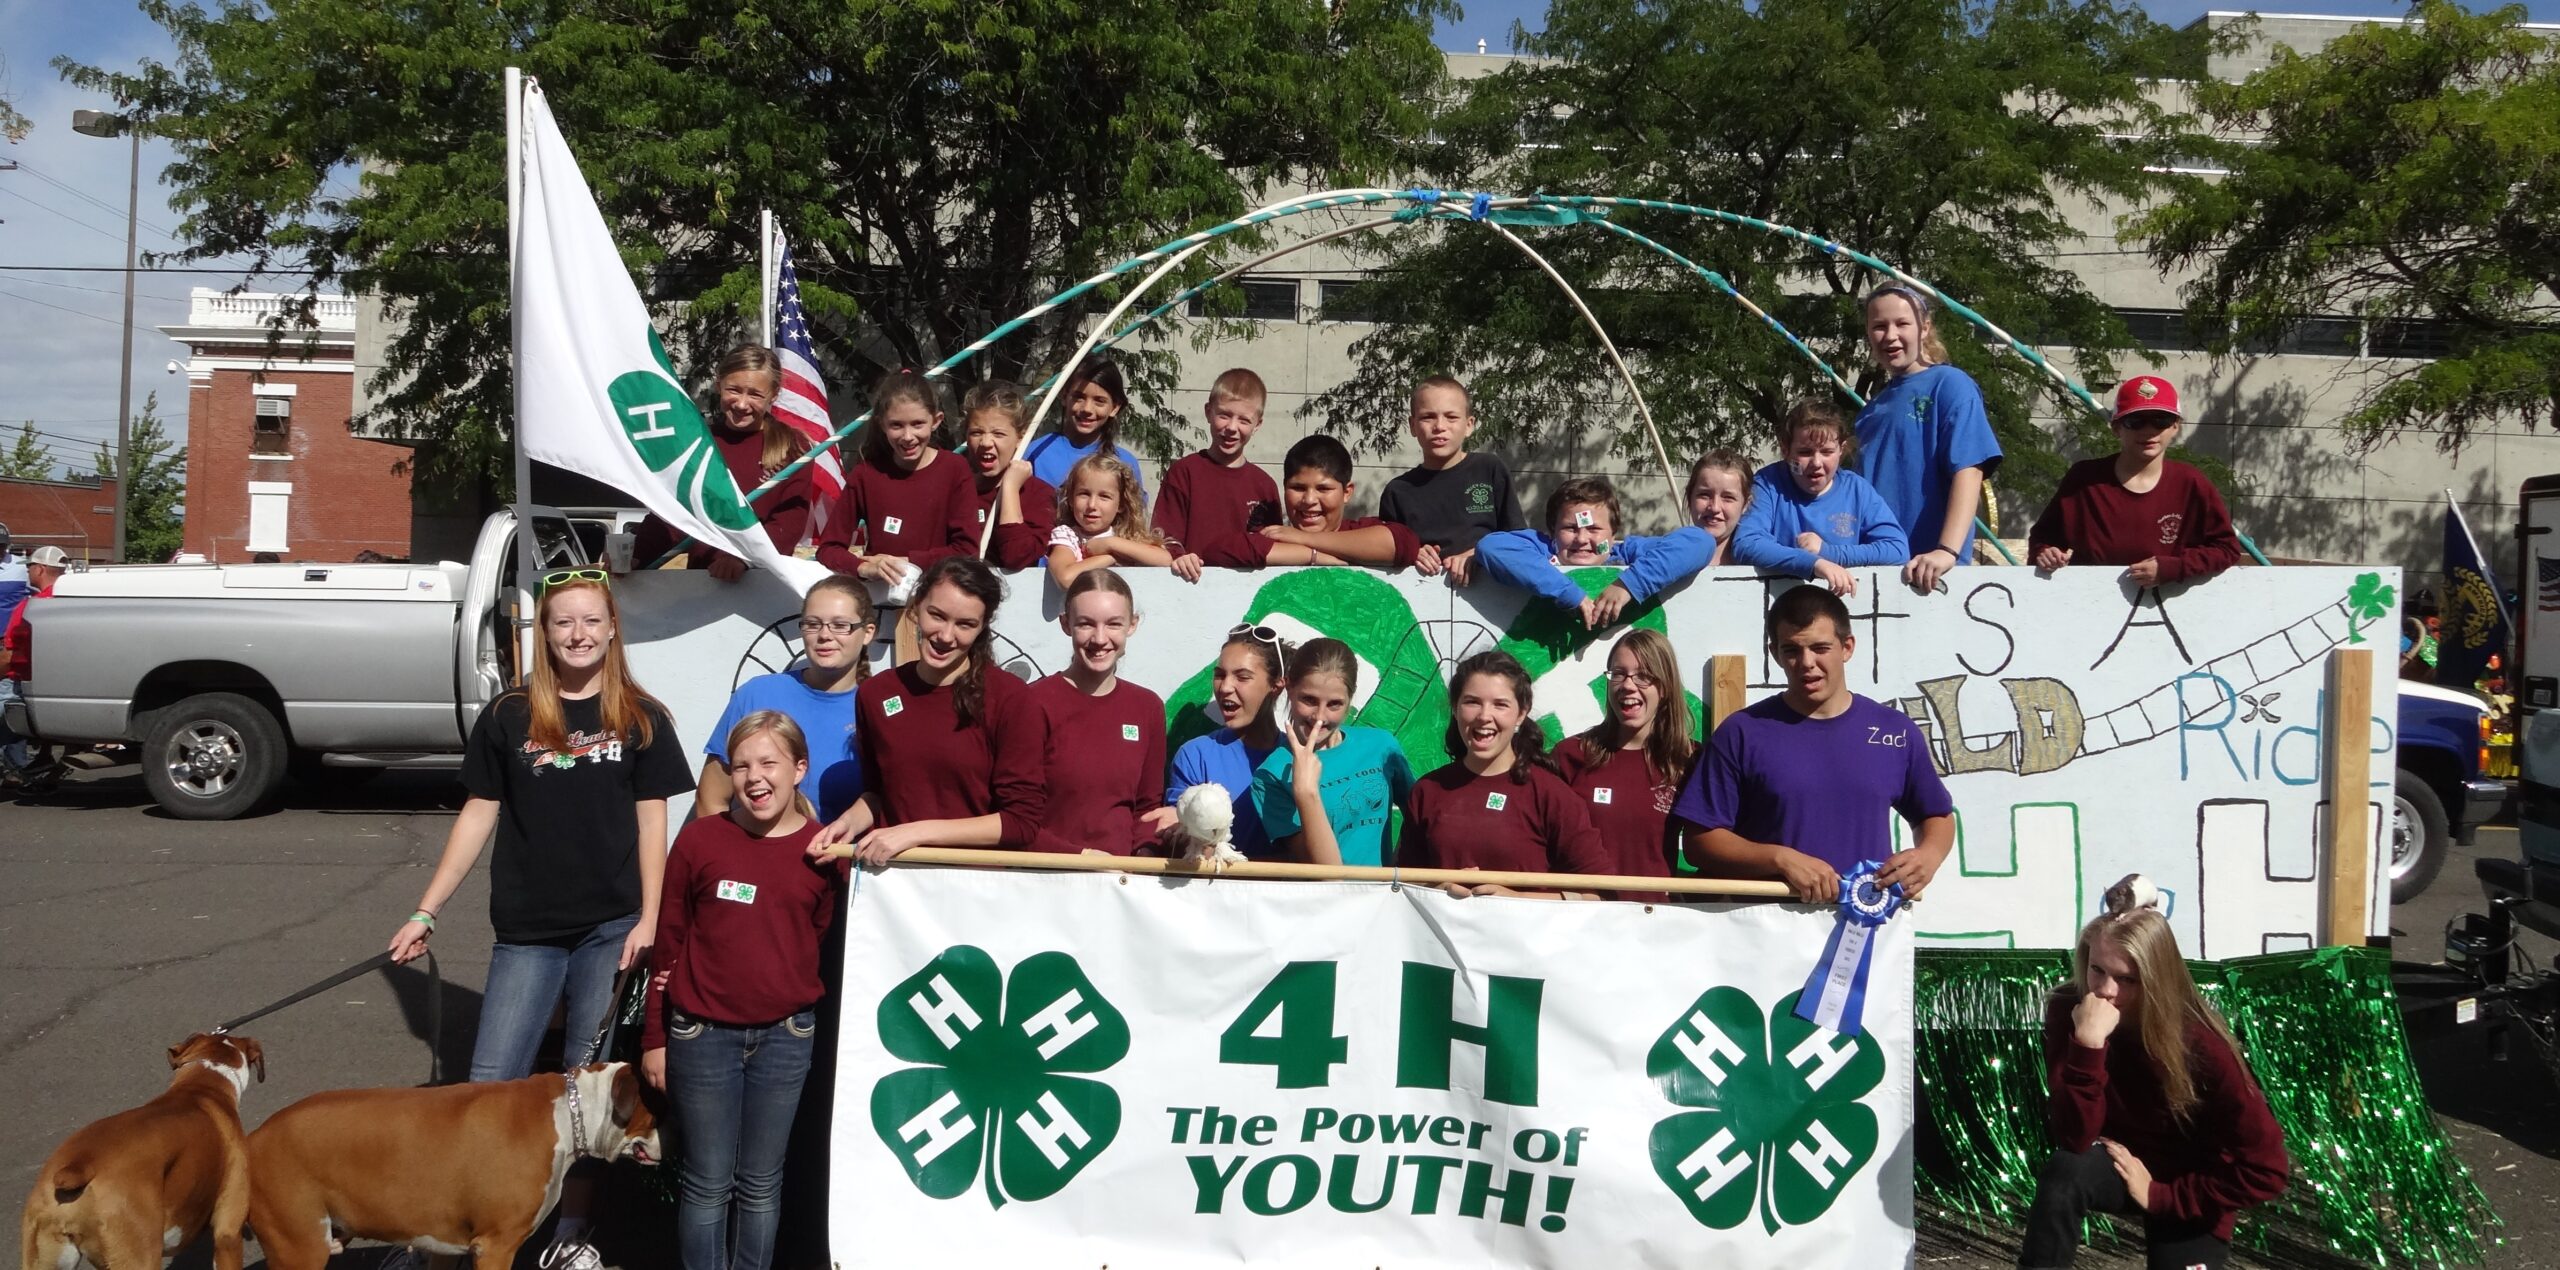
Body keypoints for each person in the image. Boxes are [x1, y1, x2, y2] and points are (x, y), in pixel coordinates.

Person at [387, 570, 692, 1270]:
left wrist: (649, 918)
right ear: (544, 634)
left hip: (610, 930)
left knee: (586, 1090)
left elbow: (654, 824)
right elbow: (479, 813)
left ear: (612, 629)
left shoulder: (642, 717)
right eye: (563, 623)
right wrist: (425, 908)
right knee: (489, 1088)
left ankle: (570, 1234)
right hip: (527, 931)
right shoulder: (509, 716)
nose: (578, 634)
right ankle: (436, 1231)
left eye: (591, 621)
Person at [642, 712, 840, 1270]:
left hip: (786, 1038)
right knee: (707, 1182)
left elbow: (815, 935)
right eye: (742, 765)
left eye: (769, 763)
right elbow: (669, 942)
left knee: (760, 1183)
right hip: (702, 1037)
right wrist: (656, 1036)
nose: (755, 777)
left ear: (799, 769)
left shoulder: (821, 853)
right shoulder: (702, 840)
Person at [2020, 874, 2289, 1270]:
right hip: (2118, 1159)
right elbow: (2075, 1136)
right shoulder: (2071, 1010)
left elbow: (2267, 1170)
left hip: (2191, 1185)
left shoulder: (2200, 1042)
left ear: (2155, 977)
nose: (2105, 990)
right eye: (2097, 970)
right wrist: (2088, 1047)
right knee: (2065, 1173)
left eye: (2127, 979)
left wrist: (2163, 1196)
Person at [1672, 585, 1954, 904]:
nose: (1806, 662)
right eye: (1792, 650)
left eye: (1820, 648)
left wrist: (1928, 856)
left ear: (1847, 647)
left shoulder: (1896, 731)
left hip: (1867, 932)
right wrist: (1779, 859)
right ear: (1775, 653)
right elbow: (1699, 842)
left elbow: (1937, 816)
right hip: (1767, 931)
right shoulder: (1742, 732)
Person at [808, 557, 1048, 865]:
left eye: (965, 624)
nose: (946, 636)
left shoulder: (1011, 698)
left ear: (983, 627)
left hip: (977, 887)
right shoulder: (876, 693)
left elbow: (1021, 823)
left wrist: (914, 833)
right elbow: (879, 794)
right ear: (917, 605)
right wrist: (847, 824)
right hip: (894, 884)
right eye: (937, 615)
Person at [1397, 650, 1608, 898]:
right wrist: (1440, 891)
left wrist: (1515, 900)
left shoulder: (1552, 795)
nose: (1485, 716)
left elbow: (1597, 896)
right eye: (1472, 702)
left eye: (1500, 704)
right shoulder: (1427, 791)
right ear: (1455, 707)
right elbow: (1402, 891)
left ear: (1521, 712)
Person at [1852, 285, 2003, 592]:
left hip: (1929, 572)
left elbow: (1969, 469)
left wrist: (1946, 551)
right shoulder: (1869, 411)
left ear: (1925, 327)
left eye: (1901, 323)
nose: (1890, 335)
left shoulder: (1949, 385)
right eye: (1879, 326)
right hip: (1873, 569)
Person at [692, 577, 876, 826]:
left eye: (840, 625)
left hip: (848, 861)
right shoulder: (757, 695)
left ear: (867, 633)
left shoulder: (879, 707)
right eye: (813, 624)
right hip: (760, 860)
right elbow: (711, 799)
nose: (824, 635)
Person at [2029, 376, 2244, 587]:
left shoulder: (2191, 483)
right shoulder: (2084, 479)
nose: (2149, 430)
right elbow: (2045, 537)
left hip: (2168, 607)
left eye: (2161, 420)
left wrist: (2173, 568)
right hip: (2090, 602)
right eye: (2135, 421)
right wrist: (2045, 552)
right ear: (2116, 428)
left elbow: (2226, 549)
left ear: (2175, 426)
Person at [632, 345, 815, 579]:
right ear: (718, 385)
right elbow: (671, 515)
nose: (741, 403)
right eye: (734, 390)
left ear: (774, 394)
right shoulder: (698, 442)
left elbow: (789, 523)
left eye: (755, 394)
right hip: (703, 582)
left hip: (764, 583)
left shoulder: (793, 447)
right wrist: (637, 555)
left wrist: (746, 560)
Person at [1025, 570, 1170, 855]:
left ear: (1132, 624)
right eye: (1086, 624)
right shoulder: (1032, 703)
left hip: (1119, 885)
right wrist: (1082, 859)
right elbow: (1019, 820)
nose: (1100, 638)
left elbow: (1146, 809)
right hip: (1044, 882)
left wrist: (1140, 864)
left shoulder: (1148, 707)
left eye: (1113, 624)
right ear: (1066, 624)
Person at [1553, 629, 1697, 903]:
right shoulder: (1571, 755)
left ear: (1664, 687)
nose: (1628, 685)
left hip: (1654, 921)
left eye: (1643, 676)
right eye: (1618, 674)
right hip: (1582, 919)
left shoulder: (1689, 760)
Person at [1472, 475, 1718, 628]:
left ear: (1613, 534)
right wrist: (1568, 593)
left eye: (1594, 529)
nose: (1582, 539)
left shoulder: (1625, 553)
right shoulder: (1542, 548)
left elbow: (1700, 542)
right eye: (1570, 528)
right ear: (1552, 530)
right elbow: (1491, 547)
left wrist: (1629, 585)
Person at [1253, 637, 1413, 866]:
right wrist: (1306, 792)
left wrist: (1400, 863)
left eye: (1334, 704)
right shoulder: (1271, 774)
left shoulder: (1381, 746)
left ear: (1350, 699)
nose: (1319, 716)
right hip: (1322, 900)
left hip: (1383, 899)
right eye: (1309, 700)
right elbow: (1321, 871)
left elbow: (1420, 816)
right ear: (1289, 688)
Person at [1731, 400, 1911, 596]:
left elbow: (1897, 550)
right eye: (1805, 452)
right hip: (1783, 607)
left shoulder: (1857, 490)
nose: (1816, 463)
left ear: (1841, 450)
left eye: (1827, 452)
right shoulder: (1768, 484)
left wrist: (1828, 552)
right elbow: (1746, 543)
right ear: (1785, 450)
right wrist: (1813, 564)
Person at [816, 370, 970, 589]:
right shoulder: (866, 474)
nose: (908, 437)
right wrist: (862, 567)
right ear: (882, 424)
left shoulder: (955, 469)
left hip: (938, 597)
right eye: (897, 425)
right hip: (877, 599)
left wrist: (906, 564)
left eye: (917, 424)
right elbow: (828, 548)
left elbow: (967, 549)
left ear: (936, 421)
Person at [1378, 376, 1528, 583]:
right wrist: (1411, 553)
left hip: (1492, 597)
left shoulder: (1489, 469)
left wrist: (1479, 554)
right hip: (1423, 596)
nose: (1439, 426)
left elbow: (1517, 539)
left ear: (1469, 425)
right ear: (1412, 426)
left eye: (1451, 417)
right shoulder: (1398, 491)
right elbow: (1387, 552)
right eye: (1428, 417)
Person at [1166, 627, 1290, 858]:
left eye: (1242, 677)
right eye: (1220, 674)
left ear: (1277, 685)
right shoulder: (1195, 755)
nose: (1224, 687)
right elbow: (1184, 848)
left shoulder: (1297, 758)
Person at [1152, 368, 1281, 579]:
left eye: (1244, 420)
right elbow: (1163, 538)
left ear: (1257, 424)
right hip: (1190, 584)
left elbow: (1272, 548)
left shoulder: (1264, 485)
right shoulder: (1184, 472)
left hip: (1247, 593)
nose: (1231, 427)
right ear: (1208, 412)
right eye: (1224, 415)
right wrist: (1178, 557)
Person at [933, 379, 1057, 570]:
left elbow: (1016, 556)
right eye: (976, 432)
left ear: (1020, 438)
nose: (985, 442)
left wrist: (1010, 489)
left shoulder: (1038, 494)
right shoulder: (956, 488)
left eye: (998, 434)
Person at [1250, 434, 1422, 568]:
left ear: (1347, 492)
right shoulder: (1275, 541)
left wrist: (1303, 538)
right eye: (1298, 488)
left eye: (1323, 489)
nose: (1309, 500)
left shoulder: (1362, 532)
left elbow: (1402, 543)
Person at [1047, 452, 1178, 587]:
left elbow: (1165, 559)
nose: (1092, 505)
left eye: (1104, 496)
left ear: (1121, 504)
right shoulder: (1067, 536)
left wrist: (1110, 543)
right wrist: (1111, 557)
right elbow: (1065, 578)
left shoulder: (1126, 536)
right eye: (1084, 494)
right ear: (1071, 500)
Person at [1024, 357, 1146, 500]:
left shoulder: (1125, 463)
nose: (1087, 409)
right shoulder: (1035, 453)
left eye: (1099, 401)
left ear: (1115, 407)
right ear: (1064, 397)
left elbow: (1134, 517)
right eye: (1078, 397)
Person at [1, 543, 66, 787]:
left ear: (39, 569)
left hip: (24, 682)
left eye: (29, 568)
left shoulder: (31, 607)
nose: (27, 573)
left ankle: (24, 771)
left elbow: (9, 657)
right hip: (63, 684)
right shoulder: (77, 601)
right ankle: (32, 767)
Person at [1685, 450, 1755, 565]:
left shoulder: (1760, 568)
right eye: (1705, 495)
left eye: (1728, 497)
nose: (1715, 508)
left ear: (1745, 505)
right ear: (1690, 497)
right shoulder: (1666, 560)